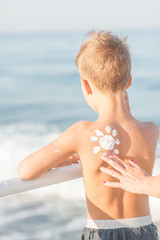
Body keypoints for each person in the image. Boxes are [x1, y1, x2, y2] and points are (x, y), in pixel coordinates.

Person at [18, 30, 159, 240]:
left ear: (85, 85)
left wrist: (58, 161)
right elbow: (127, 132)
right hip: (144, 230)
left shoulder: (82, 132)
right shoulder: (150, 131)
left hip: (100, 232)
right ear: (128, 82)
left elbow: (25, 170)